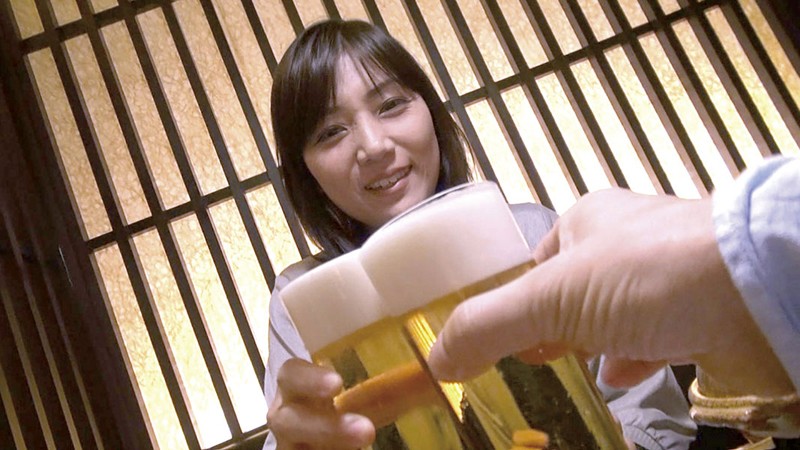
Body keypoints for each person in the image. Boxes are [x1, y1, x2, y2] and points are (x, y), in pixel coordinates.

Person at [263, 19, 696, 449]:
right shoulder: (301, 296)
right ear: (306, 172)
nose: (374, 146)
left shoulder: (531, 232)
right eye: (331, 132)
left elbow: (652, 414)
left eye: (391, 105)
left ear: (430, 112)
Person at [428, 156, 800, 434]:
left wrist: (718, 261)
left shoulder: (525, 229)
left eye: (398, 104)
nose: (389, 150)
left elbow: (639, 397)